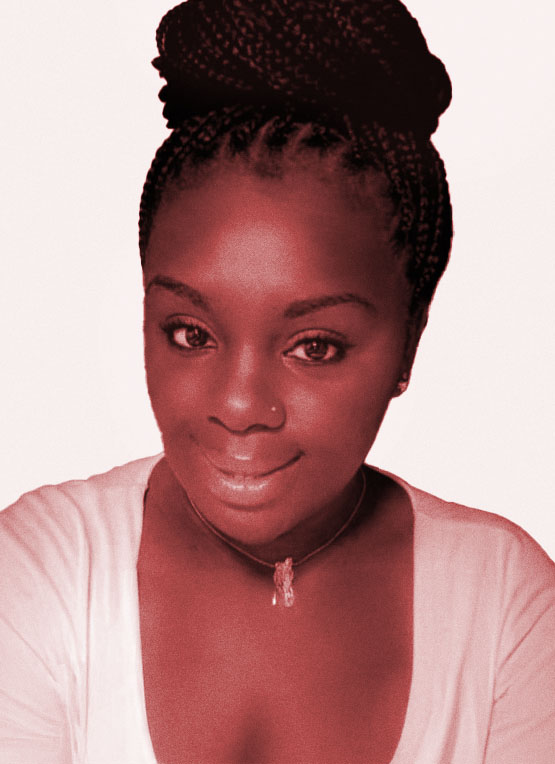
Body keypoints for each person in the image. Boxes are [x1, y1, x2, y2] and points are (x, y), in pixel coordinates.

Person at [1, 1, 554, 762]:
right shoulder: (42, 572)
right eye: (190, 334)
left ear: (409, 341)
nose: (239, 406)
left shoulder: (504, 604)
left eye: (314, 347)